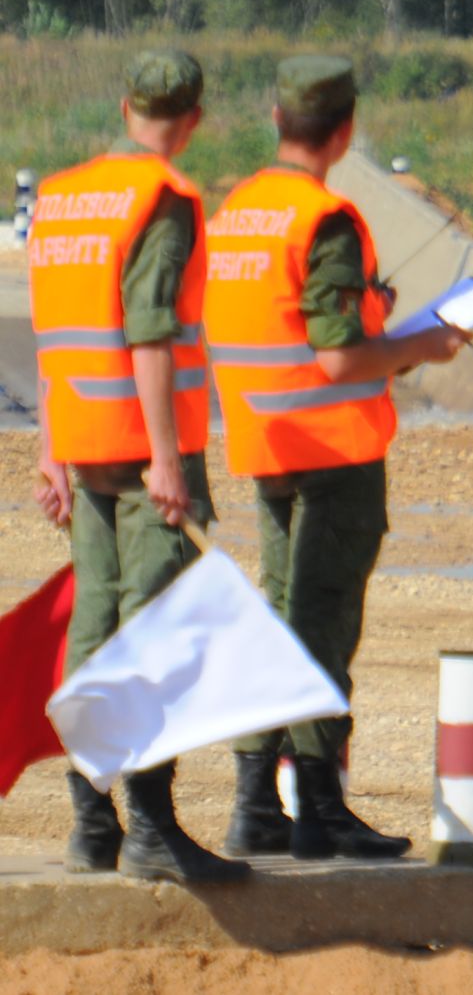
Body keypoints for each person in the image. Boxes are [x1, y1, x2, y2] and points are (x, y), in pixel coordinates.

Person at [205, 56, 468, 861]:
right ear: (345, 131)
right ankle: (319, 804)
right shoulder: (326, 219)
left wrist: (375, 319)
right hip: (333, 450)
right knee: (320, 623)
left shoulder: (240, 211)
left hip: (267, 444)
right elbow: (339, 358)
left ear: (276, 118)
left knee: (278, 616)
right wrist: (421, 341)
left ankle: (256, 801)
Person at [28, 50, 248, 884]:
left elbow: (54, 330)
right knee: (159, 627)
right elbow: (147, 332)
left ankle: (93, 824)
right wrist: (165, 455)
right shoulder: (162, 199)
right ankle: (151, 827)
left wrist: (49, 448)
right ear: (191, 119)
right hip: (143, 442)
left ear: (126, 108)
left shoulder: (61, 198)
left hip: (81, 442)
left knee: (95, 625)